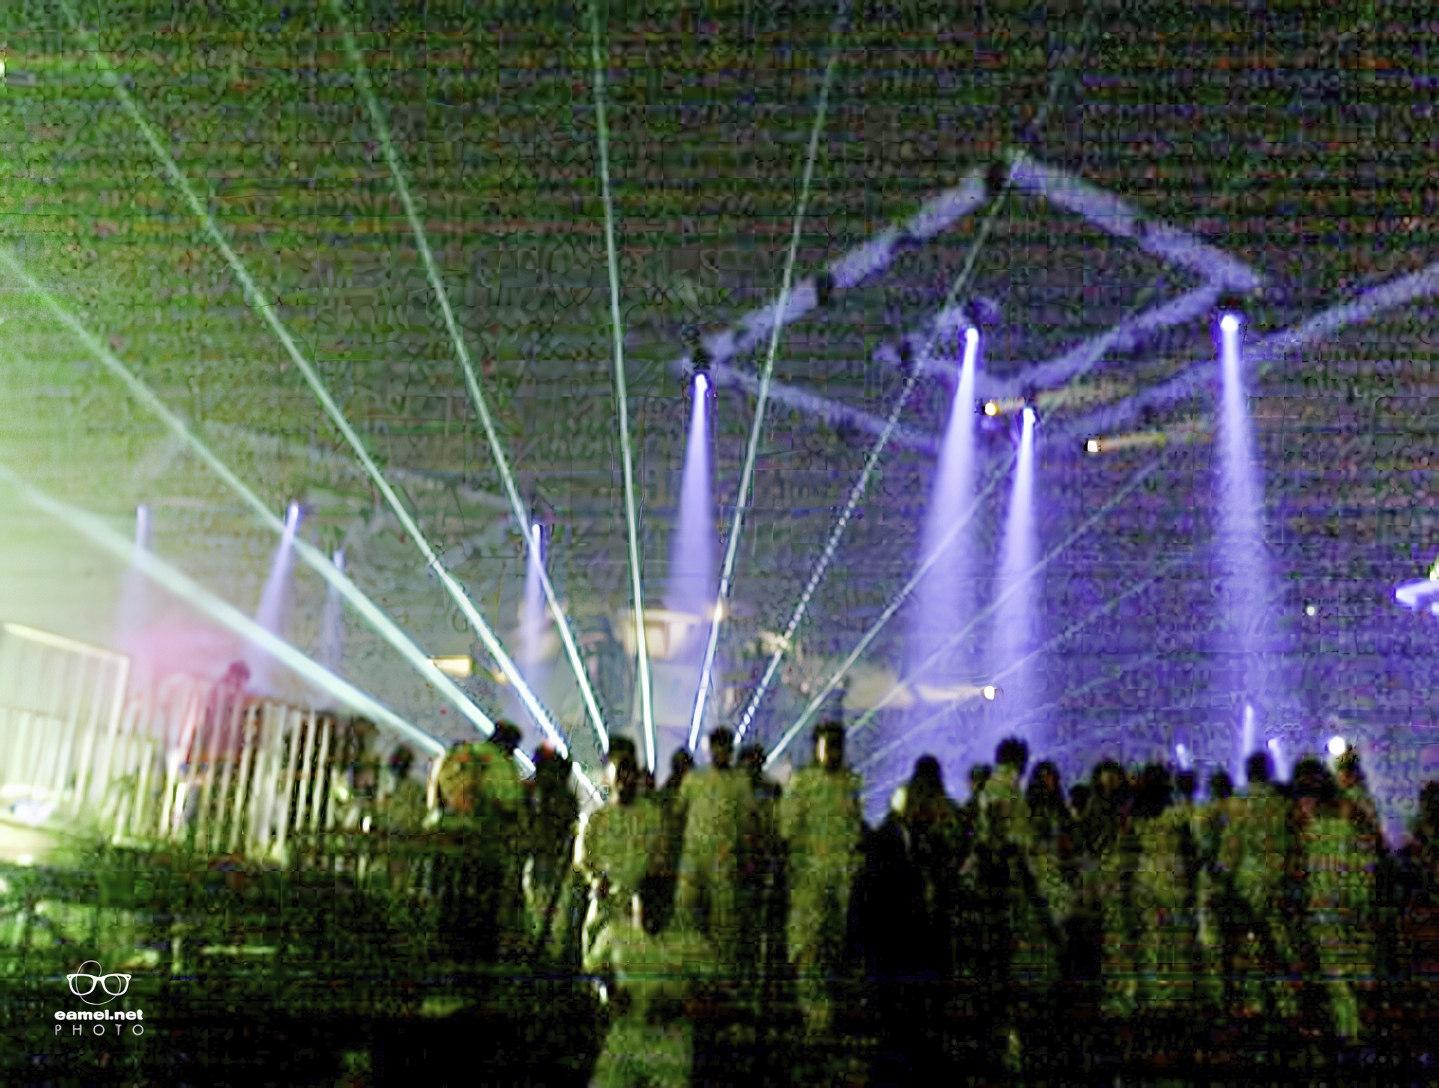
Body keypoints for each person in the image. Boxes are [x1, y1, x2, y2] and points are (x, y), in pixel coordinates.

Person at [778, 721, 864, 1039]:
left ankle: (830, 1021)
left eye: (839, 745)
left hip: (841, 882)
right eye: (830, 745)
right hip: (808, 882)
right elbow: (786, 832)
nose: (834, 752)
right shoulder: (802, 783)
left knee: (834, 951)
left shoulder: (850, 783)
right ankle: (814, 1021)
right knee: (808, 950)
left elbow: (854, 829)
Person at [1293, 755, 1375, 1045]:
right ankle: (1368, 1021)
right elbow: (1370, 843)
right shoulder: (1350, 808)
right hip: (1355, 889)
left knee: (1335, 965)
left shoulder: (1305, 815)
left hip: (1325, 894)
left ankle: (1350, 1030)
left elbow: (1300, 860)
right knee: (1359, 960)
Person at [1219, 750, 1299, 1018]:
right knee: (1279, 940)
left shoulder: (1238, 802)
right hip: (1277, 875)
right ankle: (1287, 1000)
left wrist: (1224, 876)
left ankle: (1256, 1002)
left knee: (1250, 940)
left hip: (1248, 877)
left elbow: (1231, 845)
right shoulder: (1281, 802)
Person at [677, 728, 755, 987]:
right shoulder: (694, 778)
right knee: (685, 910)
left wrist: (745, 859)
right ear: (710, 749)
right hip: (692, 856)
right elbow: (679, 813)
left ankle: (722, 977)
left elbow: (746, 823)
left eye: (724, 747)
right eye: (716, 746)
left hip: (724, 857)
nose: (720, 752)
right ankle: (684, 967)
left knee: (724, 919)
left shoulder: (740, 781)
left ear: (730, 750)